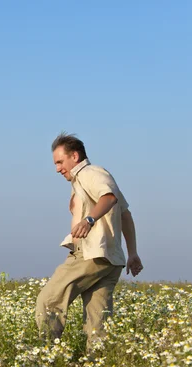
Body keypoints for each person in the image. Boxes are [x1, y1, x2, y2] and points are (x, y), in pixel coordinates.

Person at [35, 132, 143, 351]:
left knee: (48, 302)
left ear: (74, 156)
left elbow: (109, 198)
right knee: (98, 324)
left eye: (59, 162)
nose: (57, 169)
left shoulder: (89, 173)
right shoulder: (89, 179)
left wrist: (89, 220)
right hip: (109, 261)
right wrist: (132, 253)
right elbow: (125, 214)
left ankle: (45, 357)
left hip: (90, 255)